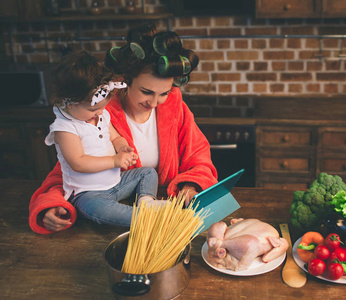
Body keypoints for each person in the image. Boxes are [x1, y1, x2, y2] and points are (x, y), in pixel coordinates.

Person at [29, 24, 218, 234]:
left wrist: (191, 186)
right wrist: (51, 204)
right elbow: (65, 171)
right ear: (125, 82)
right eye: (146, 92)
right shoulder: (96, 111)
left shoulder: (175, 108)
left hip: (156, 199)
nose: (155, 102)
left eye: (164, 93)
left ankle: (150, 206)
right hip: (110, 218)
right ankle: (151, 217)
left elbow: (198, 156)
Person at [44, 51, 160, 227]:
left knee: (147, 172)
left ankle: (146, 202)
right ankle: (143, 217)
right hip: (87, 194)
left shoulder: (101, 115)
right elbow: (79, 162)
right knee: (104, 210)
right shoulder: (65, 128)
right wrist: (114, 160)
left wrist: (122, 148)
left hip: (116, 183)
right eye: (93, 110)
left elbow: (115, 137)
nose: (99, 113)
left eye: (101, 108)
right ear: (69, 103)